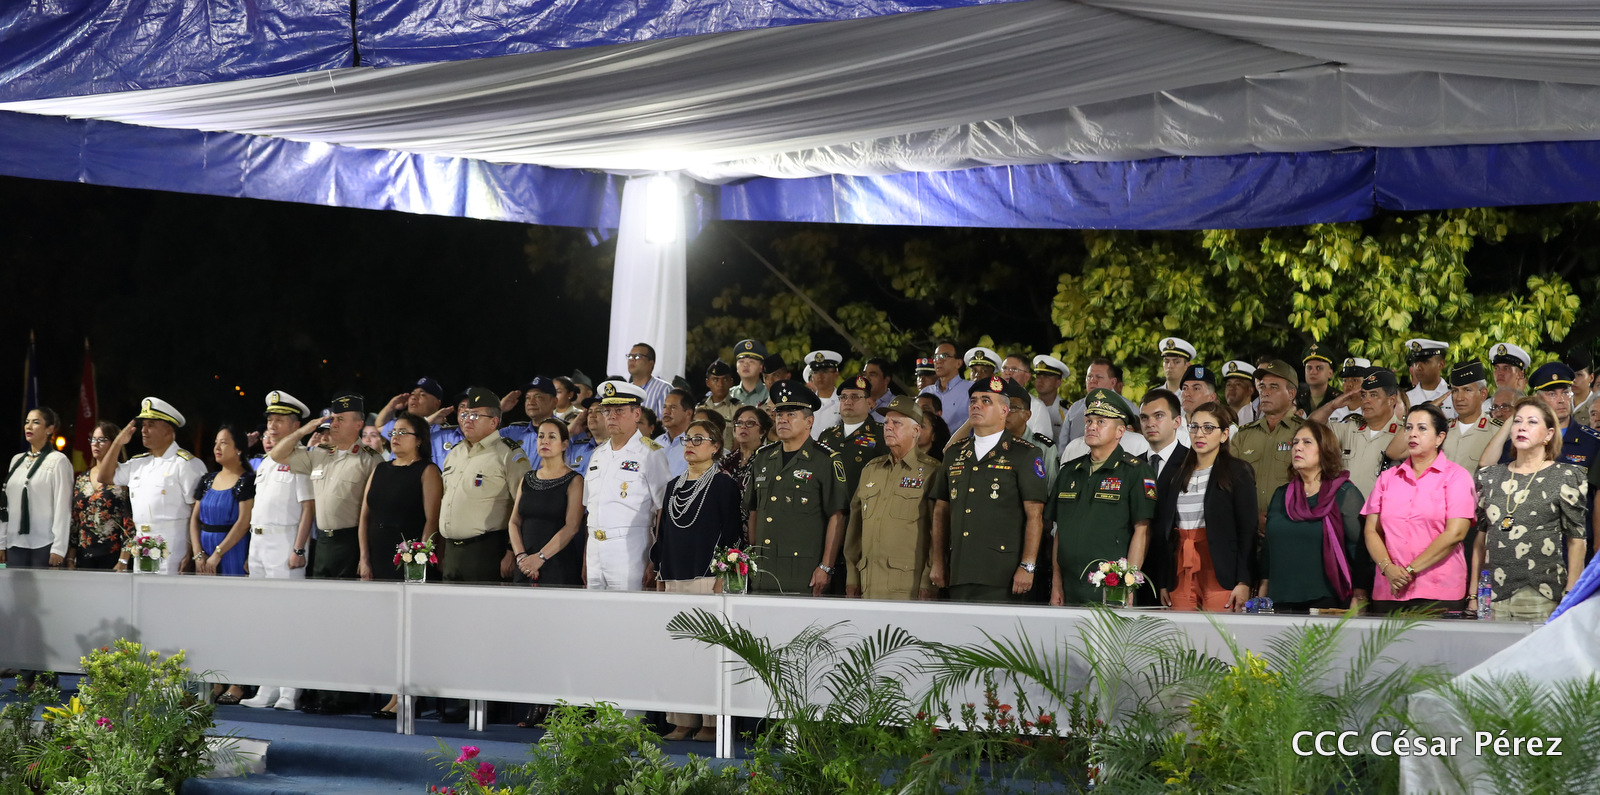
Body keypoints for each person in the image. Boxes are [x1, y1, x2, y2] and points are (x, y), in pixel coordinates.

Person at [651, 418, 743, 741]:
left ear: (716, 447)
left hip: (707, 576)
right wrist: (660, 571)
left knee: (706, 652)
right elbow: (663, 533)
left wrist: (723, 576)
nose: (690, 444)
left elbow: (733, 535)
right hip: (674, 575)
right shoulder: (673, 486)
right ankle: (681, 719)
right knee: (677, 651)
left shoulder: (723, 485)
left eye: (698, 439)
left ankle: (710, 721)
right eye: (687, 439)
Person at [930, 377, 1048, 603]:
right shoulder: (954, 453)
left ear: (1004, 410)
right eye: (973, 401)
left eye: (986, 401)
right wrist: (937, 561)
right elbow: (940, 512)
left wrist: (1028, 565)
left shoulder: (1024, 454)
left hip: (1003, 574)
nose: (976, 405)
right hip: (959, 569)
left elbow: (1035, 516)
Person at [1470, 397, 1587, 622]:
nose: (1522, 427)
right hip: (1493, 595)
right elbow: (1481, 540)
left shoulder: (1565, 476)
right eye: (1517, 421)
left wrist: (1571, 595)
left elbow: (1576, 541)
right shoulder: (1491, 477)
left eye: (1532, 422)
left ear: (1549, 434)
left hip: (1540, 593)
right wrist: (1473, 594)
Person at [238, 391, 317, 712]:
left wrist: (299, 547)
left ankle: (289, 689)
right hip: (260, 543)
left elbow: (308, 508)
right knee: (264, 620)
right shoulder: (267, 463)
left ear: (295, 426)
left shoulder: (298, 459)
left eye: (279, 420)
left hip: (285, 543)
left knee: (288, 619)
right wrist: (251, 551)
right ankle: (266, 686)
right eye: (270, 420)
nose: (272, 425)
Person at [1361, 403, 1475, 614]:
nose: (1412, 434)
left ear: (1439, 438)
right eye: (1408, 428)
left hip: (1438, 591)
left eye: (1422, 428)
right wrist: (1388, 568)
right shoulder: (1387, 478)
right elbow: (1371, 531)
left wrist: (1409, 571)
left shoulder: (1457, 476)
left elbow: (1456, 533)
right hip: (1389, 589)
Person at [1048, 388, 1157, 605]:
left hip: (1112, 586)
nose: (1091, 427)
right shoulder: (1069, 471)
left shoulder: (1135, 471)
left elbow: (1142, 531)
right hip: (1069, 586)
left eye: (1101, 422)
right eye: (1089, 421)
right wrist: (1056, 583)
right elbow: (1061, 530)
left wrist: (1129, 584)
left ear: (1120, 431)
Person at [743, 380, 849, 596]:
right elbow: (753, 510)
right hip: (762, 571)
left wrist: (826, 567)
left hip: (803, 573)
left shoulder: (825, 460)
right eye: (779, 414)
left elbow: (837, 516)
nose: (782, 419)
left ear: (809, 421)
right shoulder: (763, 457)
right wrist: (754, 556)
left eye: (791, 414)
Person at [1149, 403, 1256, 612]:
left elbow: (1247, 530)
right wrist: (1163, 581)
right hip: (1181, 568)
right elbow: (1166, 531)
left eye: (1208, 428)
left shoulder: (1238, 471)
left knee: (1218, 629)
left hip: (1220, 567)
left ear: (1224, 434)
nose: (1199, 434)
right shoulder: (1177, 473)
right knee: (1181, 630)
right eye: (1194, 427)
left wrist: (1244, 581)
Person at [1259, 420, 1372, 613]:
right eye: (1295, 443)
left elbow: (1360, 550)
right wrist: (1264, 585)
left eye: (1307, 442)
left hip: (1327, 602)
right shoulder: (1281, 495)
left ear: (1325, 450)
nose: (1298, 448)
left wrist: (1360, 594)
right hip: (1279, 600)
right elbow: (1269, 547)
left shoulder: (1344, 494)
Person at [271, 392, 384, 582]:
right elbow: (277, 455)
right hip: (322, 542)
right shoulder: (319, 454)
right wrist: (303, 430)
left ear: (358, 425)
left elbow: (375, 512)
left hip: (352, 542)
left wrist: (365, 557)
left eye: (341, 419)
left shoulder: (370, 460)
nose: (334, 424)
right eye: (333, 419)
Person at [98, 398, 208, 575]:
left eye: (151, 425)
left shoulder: (185, 464)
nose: (143, 430)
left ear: (168, 429)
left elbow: (198, 512)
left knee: (168, 591)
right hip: (142, 542)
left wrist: (191, 552)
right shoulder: (138, 463)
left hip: (174, 544)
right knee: (143, 590)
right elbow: (104, 476)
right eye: (143, 425)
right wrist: (118, 443)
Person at [844, 396, 938, 601]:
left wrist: (928, 580)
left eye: (897, 423)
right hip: (868, 583)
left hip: (909, 585)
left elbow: (937, 532)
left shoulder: (931, 472)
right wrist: (852, 575)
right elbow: (855, 528)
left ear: (916, 430)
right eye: (886, 422)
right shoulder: (871, 470)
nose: (888, 427)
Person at [584, 381, 673, 591]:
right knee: (593, 608)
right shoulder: (598, 455)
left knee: (626, 608)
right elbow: (592, 509)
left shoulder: (651, 453)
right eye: (607, 411)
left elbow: (664, 509)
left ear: (636, 414)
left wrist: (656, 558)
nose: (611, 416)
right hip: (595, 548)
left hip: (630, 548)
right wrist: (586, 556)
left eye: (619, 410)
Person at [437, 388, 531, 583]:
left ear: (493, 422)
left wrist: (512, 551)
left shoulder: (508, 454)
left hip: (487, 550)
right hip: (451, 551)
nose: (467, 420)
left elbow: (524, 506)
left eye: (475, 415)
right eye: (465, 414)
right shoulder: (455, 452)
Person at [358, 412, 442, 582]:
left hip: (409, 558)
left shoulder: (428, 471)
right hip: (376, 555)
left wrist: (420, 558)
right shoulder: (380, 469)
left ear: (419, 440)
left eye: (402, 432)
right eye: (393, 432)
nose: (395, 437)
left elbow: (432, 520)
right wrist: (364, 558)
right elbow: (364, 517)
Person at [510, 418, 586, 588]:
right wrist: (521, 557)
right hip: (525, 564)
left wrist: (540, 557)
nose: (545, 441)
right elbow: (514, 521)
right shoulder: (527, 478)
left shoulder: (575, 480)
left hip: (557, 563)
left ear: (564, 444)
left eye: (552, 437)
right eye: (541, 436)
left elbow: (572, 526)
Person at [1232, 361, 1305, 532]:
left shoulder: (1305, 432)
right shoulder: (1243, 435)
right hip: (1247, 527)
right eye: (1262, 387)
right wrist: (1251, 516)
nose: (1265, 392)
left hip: (1291, 527)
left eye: (1274, 387)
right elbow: (1229, 483)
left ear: (1291, 394)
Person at [1310, 367, 1402, 497]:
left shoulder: (1403, 434)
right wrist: (1332, 406)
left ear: (1391, 400)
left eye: (1374, 395)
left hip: (1383, 509)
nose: (1366, 400)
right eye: (1363, 395)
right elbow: (1311, 426)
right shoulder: (1350, 428)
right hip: (1347, 508)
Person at [2, 408, 74, 570]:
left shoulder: (58, 461)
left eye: (35, 422)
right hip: (14, 543)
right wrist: (1, 541)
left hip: (44, 543)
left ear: (49, 429)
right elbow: (6, 505)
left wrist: (59, 548)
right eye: (27, 422)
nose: (29, 426)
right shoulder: (16, 460)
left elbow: (63, 507)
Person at [190, 426, 256, 578]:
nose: (217, 448)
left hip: (233, 549)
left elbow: (243, 522)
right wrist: (198, 554)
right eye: (216, 443)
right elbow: (195, 519)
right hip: (204, 553)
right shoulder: (207, 480)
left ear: (238, 449)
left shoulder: (247, 481)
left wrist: (217, 554)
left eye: (224, 443)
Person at [71, 421, 136, 571]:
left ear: (114, 443)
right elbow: (75, 520)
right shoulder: (82, 478)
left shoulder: (123, 477)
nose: (95, 444)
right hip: (84, 555)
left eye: (102, 440)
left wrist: (124, 559)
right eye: (93, 439)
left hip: (113, 555)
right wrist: (70, 556)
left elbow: (129, 521)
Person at [815, 375, 887, 503]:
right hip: (829, 506)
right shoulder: (827, 436)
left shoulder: (882, 434)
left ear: (869, 402)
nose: (848, 402)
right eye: (843, 397)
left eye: (855, 397)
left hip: (864, 506)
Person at [1059, 358, 1138, 447]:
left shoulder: (1129, 408)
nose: (1093, 380)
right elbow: (1063, 444)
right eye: (1089, 376)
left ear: (1113, 382)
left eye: (1099, 377)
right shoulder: (1075, 408)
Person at [1437, 361, 1497, 473]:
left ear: (1483, 394)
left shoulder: (1496, 432)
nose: (1459, 398)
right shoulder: (1442, 429)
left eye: (1467, 390)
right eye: (1455, 391)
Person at [501, 376, 559, 460]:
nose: (531, 402)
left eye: (538, 397)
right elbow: (483, 441)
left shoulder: (568, 431)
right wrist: (500, 409)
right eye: (527, 398)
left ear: (554, 401)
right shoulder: (512, 431)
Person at [999, 354, 1054, 441]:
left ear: (1027, 377)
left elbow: (1041, 445)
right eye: (1004, 368)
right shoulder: (991, 401)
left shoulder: (1037, 406)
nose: (1008, 372)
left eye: (1014, 369)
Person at [1140, 389, 1188, 487]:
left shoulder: (1192, 462)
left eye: (1158, 416)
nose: (1150, 424)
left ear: (1177, 422)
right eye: (1144, 417)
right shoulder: (1131, 465)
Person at [721, 405, 771, 496]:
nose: (743, 427)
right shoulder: (727, 460)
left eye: (750, 423)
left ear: (763, 431)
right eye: (739, 423)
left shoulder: (769, 459)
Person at [926, 341, 973, 433]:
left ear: (958, 363)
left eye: (944, 356)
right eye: (936, 357)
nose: (938, 361)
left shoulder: (971, 390)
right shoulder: (926, 392)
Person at [376, 377, 445, 439]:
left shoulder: (444, 432)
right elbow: (380, 426)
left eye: (422, 395)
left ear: (436, 403)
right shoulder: (400, 427)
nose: (413, 397)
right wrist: (391, 407)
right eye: (412, 393)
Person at [1404, 339, 1455, 418]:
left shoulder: (1454, 395)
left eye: (1425, 362)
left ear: (1441, 364)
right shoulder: (1406, 397)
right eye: (1415, 362)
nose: (1418, 367)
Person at [656, 388, 694, 478]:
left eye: (673, 407)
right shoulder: (657, 442)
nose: (666, 412)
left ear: (688, 413)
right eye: (664, 407)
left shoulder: (695, 444)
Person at [1031, 355, 1071, 441]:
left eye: (1046, 376)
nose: (1040, 380)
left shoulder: (1067, 412)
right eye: (1038, 376)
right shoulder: (1028, 406)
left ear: (1058, 382)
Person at [804, 350, 843, 435]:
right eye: (816, 372)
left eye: (825, 372)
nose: (820, 376)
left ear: (836, 375)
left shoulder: (844, 401)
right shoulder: (805, 402)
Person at [1298, 343, 1339, 415]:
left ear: (1330, 373)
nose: (1313, 372)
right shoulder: (1296, 398)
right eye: (1309, 368)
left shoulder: (1339, 400)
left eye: (1319, 368)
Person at [1328, 358, 1371, 423]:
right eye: (1345, 380)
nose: (1349, 384)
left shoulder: (1374, 411)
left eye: (1355, 380)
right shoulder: (1333, 410)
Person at [729, 340, 771, 407]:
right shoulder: (729, 395)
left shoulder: (770, 394)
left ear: (761, 367)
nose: (745, 365)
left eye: (751, 362)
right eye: (741, 361)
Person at [1221, 361, 1257, 425]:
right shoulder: (1218, 418)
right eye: (1229, 384)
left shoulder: (1259, 416)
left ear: (1250, 390)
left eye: (1238, 384)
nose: (1231, 388)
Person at [1570, 349, 1595, 422]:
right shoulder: (1563, 403)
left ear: (1591, 377)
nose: (1574, 380)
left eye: (1579, 375)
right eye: (1571, 374)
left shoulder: (1596, 405)